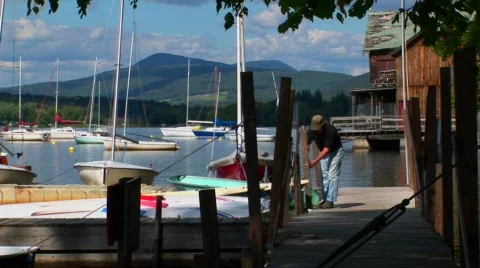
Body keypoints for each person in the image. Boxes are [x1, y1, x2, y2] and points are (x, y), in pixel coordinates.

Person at [306, 115, 344, 209]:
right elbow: (307, 142)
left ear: (322, 125)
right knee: (325, 177)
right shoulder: (311, 130)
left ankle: (330, 201)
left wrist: (314, 162)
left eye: (318, 128)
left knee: (332, 176)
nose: (316, 130)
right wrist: (306, 151)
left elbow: (326, 150)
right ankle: (326, 199)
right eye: (315, 128)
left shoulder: (330, 130)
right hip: (323, 151)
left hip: (335, 152)